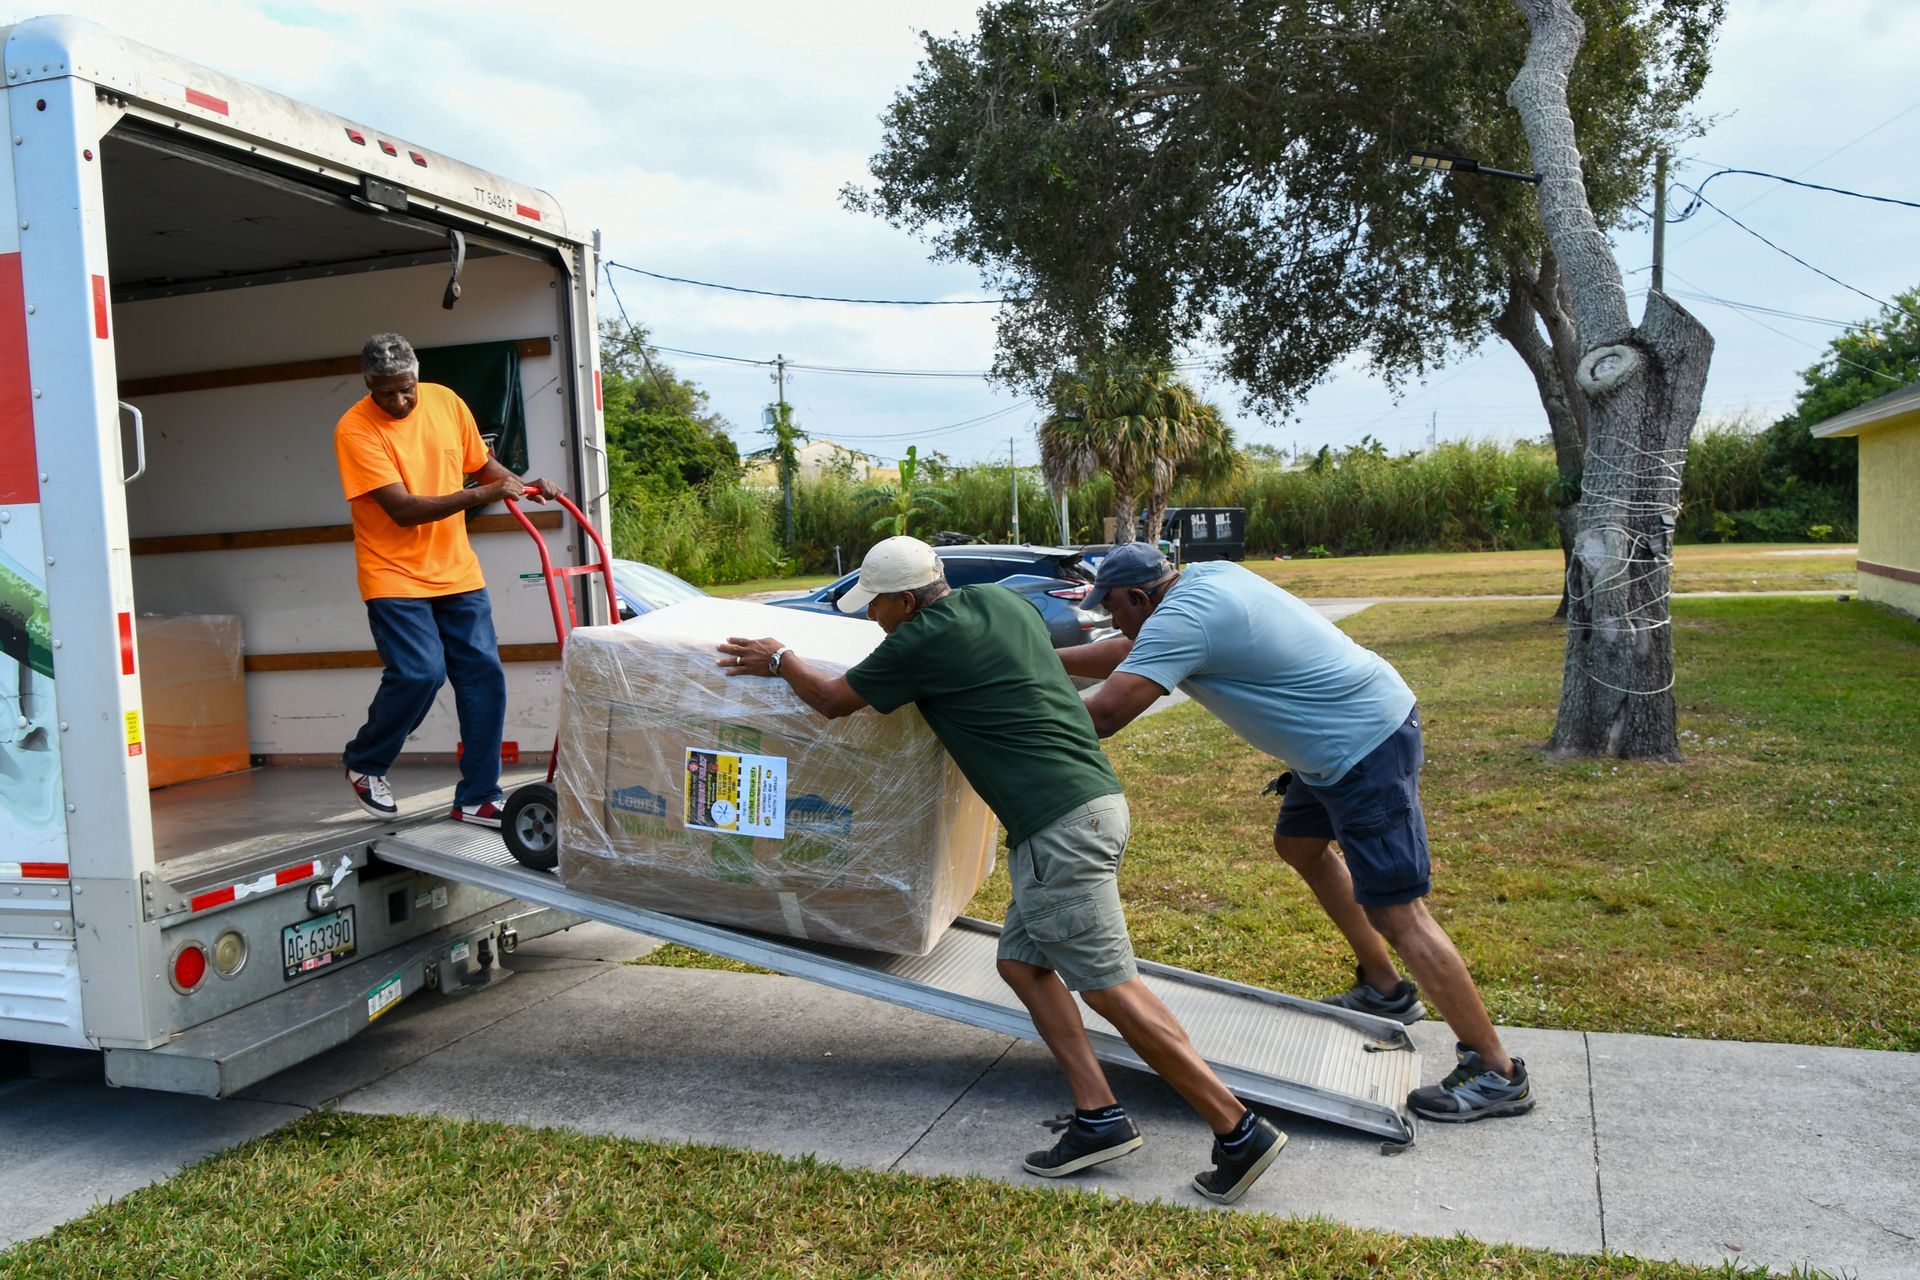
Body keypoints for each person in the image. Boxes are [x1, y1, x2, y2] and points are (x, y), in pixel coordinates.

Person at [717, 536, 1286, 1204]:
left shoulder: (919, 640)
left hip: (1058, 825)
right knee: (1021, 963)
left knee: (1111, 988)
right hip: (1088, 806)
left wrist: (779, 657)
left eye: (877, 604)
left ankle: (1237, 1128)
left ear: (908, 603)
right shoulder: (1001, 603)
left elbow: (833, 699)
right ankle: (1098, 1116)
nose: (871, 615)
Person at [1067, 543, 1534, 1124]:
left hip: (1361, 744)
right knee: (1299, 845)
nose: (1111, 620)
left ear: (1139, 597)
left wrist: (1013, 707)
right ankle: (1385, 989)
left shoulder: (1184, 619)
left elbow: (1108, 713)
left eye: (1112, 607)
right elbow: (1134, 649)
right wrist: (1046, 657)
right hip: (1336, 740)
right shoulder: (1206, 579)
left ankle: (1495, 1070)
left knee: (1398, 912)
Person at [334, 331, 561, 828]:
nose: (398, 401)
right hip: (393, 574)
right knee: (421, 673)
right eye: (385, 393)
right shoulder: (355, 429)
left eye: (406, 389)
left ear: (417, 377)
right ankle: (365, 761)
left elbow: (483, 467)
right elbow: (404, 510)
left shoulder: (445, 402)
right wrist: (483, 494)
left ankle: (478, 796)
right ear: (368, 384)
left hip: (456, 571)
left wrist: (523, 486)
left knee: (484, 678)